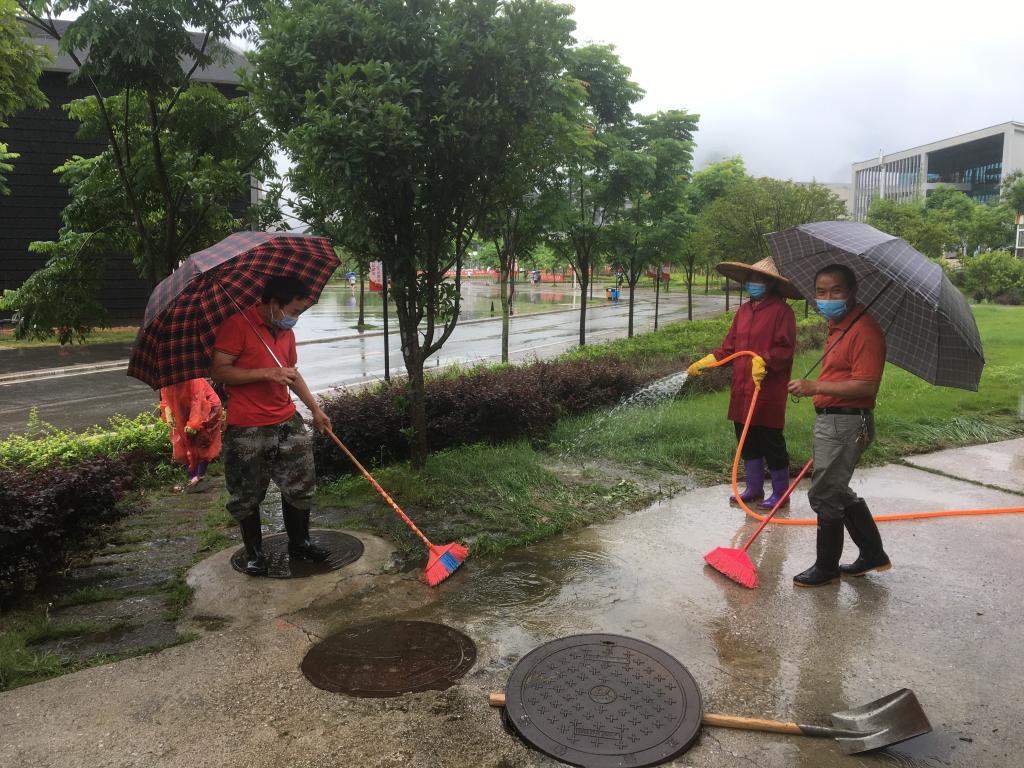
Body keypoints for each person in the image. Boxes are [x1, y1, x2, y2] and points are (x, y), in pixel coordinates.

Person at [211, 276, 332, 576]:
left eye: (301, 312)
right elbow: (219, 371)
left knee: (301, 483)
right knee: (247, 492)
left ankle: (300, 543)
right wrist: (266, 373)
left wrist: (315, 409)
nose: (296, 318)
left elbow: (292, 374)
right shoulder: (237, 325)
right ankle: (254, 553)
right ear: (273, 303)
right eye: (293, 310)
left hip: (287, 420)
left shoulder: (284, 333)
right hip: (248, 427)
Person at [787, 264, 891, 587]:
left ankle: (826, 568)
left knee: (824, 494)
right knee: (835, 489)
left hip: (846, 423)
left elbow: (866, 387)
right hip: (832, 422)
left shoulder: (864, 331)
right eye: (820, 292)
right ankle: (873, 553)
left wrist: (815, 387)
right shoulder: (839, 325)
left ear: (852, 293)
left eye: (835, 291)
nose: (827, 298)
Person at [688, 256, 799, 509]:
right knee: (745, 437)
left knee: (770, 440)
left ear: (771, 284)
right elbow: (730, 347)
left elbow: (786, 349)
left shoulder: (783, 312)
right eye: (751, 279)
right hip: (741, 388)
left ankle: (781, 493)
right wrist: (708, 361)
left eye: (759, 280)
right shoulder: (744, 311)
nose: (753, 284)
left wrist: (765, 361)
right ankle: (754, 488)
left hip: (766, 388)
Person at [159, 378, 222, 492]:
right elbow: (167, 397)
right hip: (186, 408)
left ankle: (199, 476)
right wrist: (168, 410)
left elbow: (197, 401)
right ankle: (193, 477)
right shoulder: (167, 379)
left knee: (202, 441)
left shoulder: (194, 380)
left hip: (209, 408)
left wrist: (193, 423)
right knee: (185, 441)